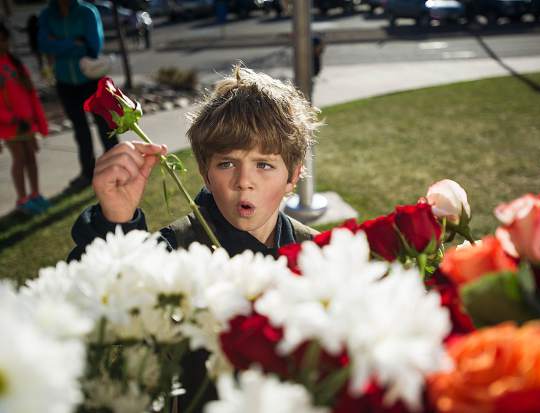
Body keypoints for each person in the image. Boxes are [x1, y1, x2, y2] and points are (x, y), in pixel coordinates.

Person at [67, 66, 320, 407]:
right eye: (227, 163)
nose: (244, 181)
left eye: (264, 164)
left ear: (294, 176)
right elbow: (90, 304)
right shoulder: (174, 251)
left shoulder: (318, 256)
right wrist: (117, 218)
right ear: (204, 171)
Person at [38, 0, 118, 191]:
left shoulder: (87, 12)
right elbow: (43, 44)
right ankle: (87, 172)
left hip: (91, 79)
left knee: (106, 126)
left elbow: (93, 45)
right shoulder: (47, 15)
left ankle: (118, 169)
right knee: (80, 130)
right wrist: (74, 42)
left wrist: (58, 44)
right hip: (65, 81)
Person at [0, 23, 51, 215]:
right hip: (10, 126)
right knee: (19, 159)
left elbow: (32, 97)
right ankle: (22, 199)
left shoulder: (16, 64)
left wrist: (40, 123)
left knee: (31, 157)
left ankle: (35, 194)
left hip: (27, 123)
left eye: (3, 39)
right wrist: (9, 118)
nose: (1, 44)